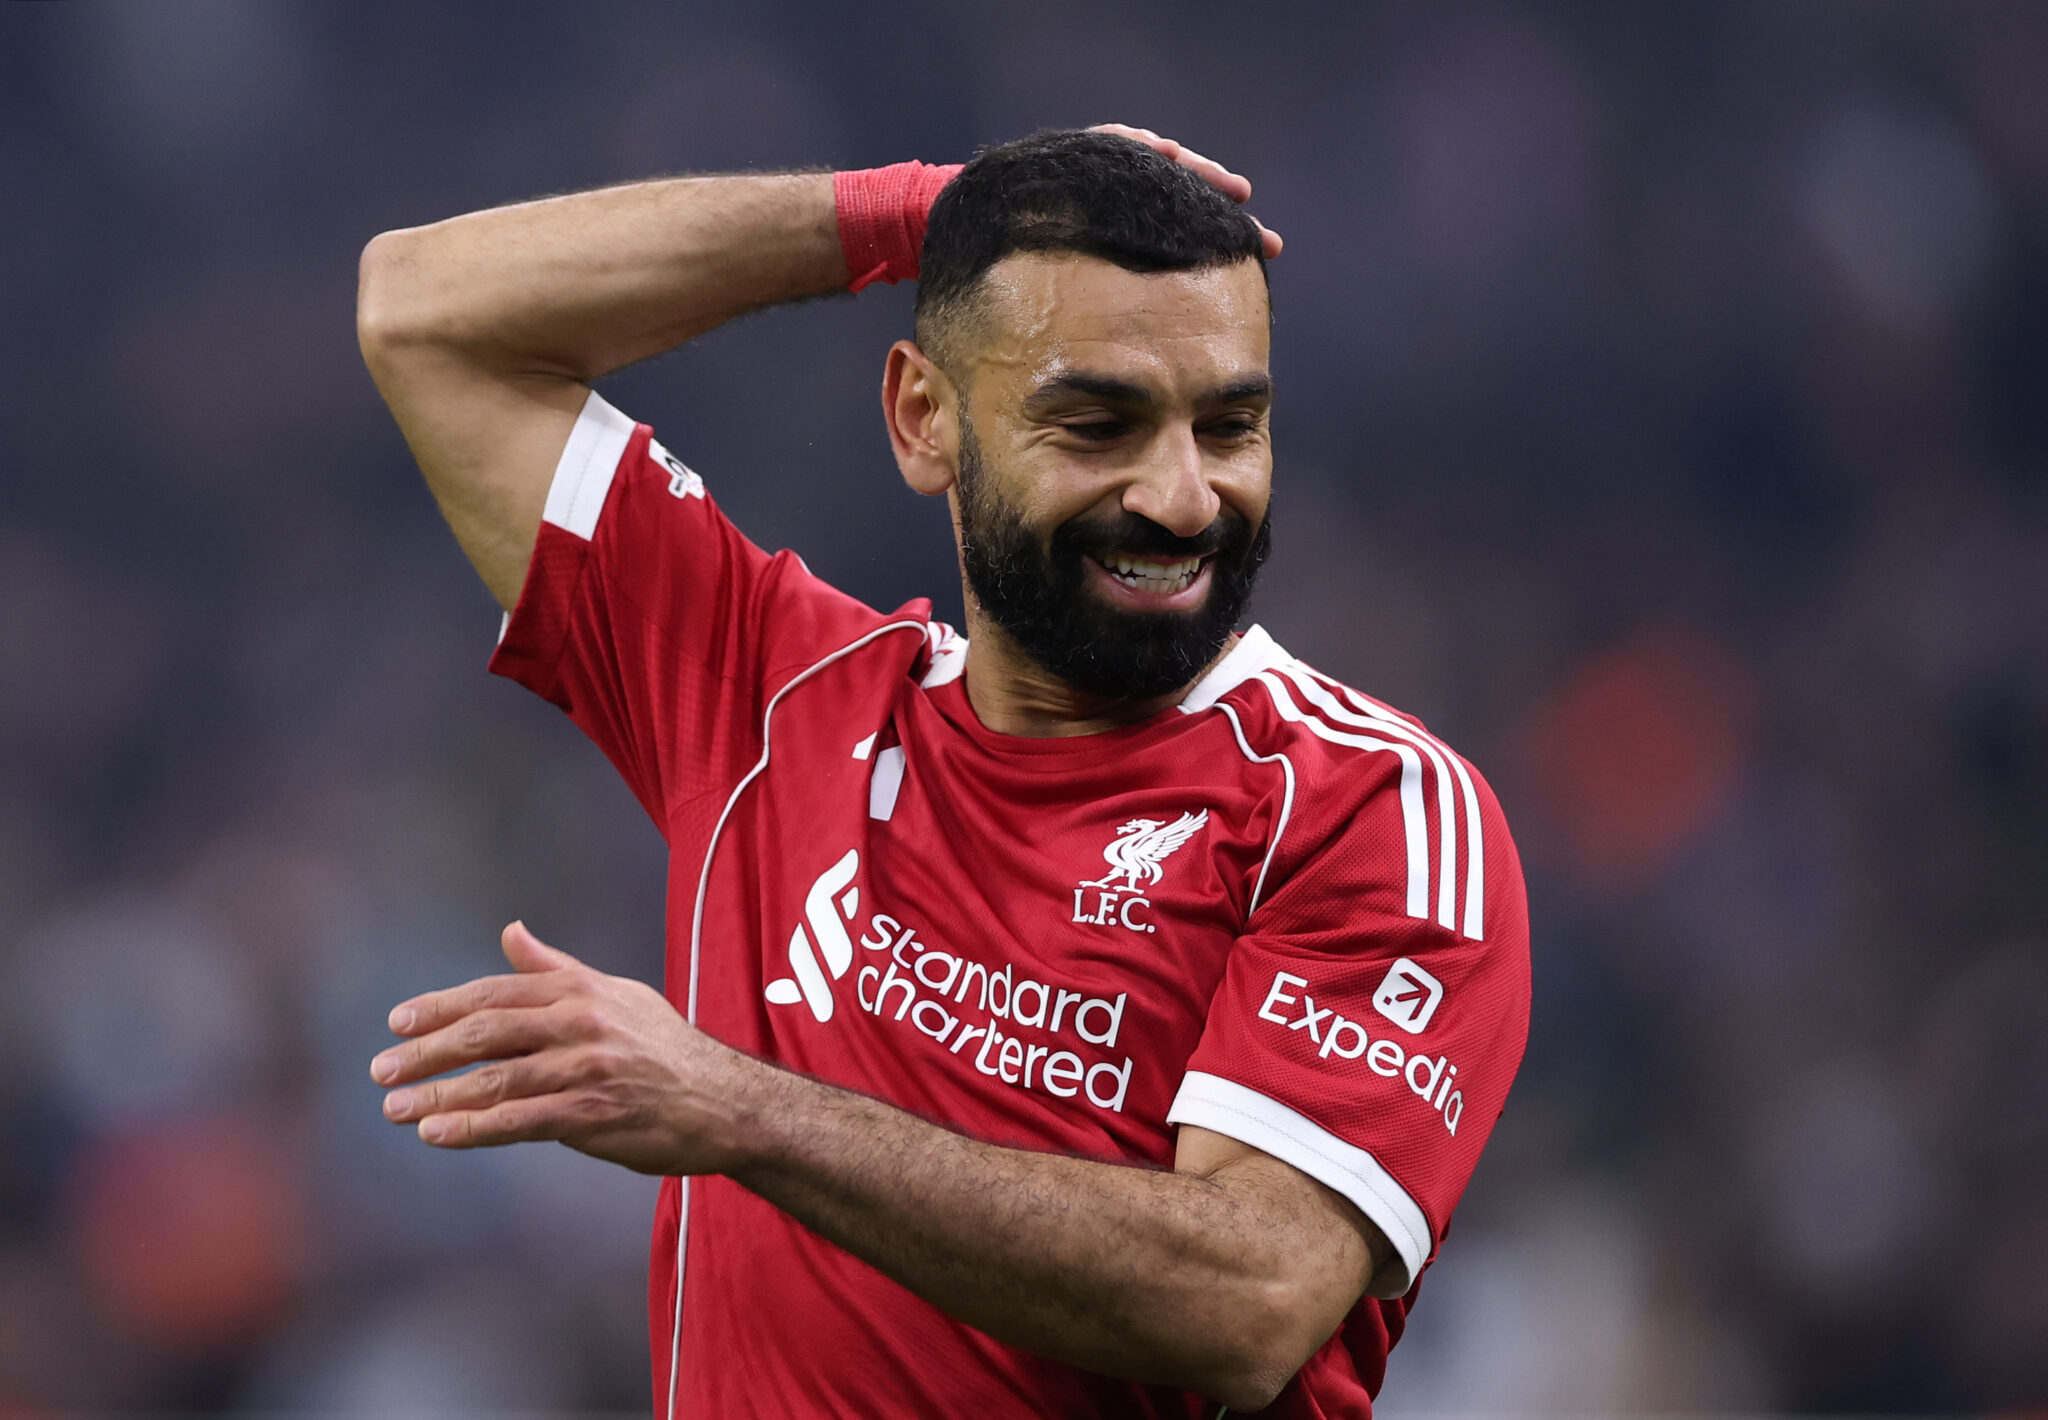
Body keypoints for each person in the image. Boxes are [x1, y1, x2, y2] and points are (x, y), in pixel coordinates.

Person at [356, 124, 1530, 1419]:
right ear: (925, 419)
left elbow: (1247, 1299)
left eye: (1229, 424)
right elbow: (425, 313)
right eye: (1100, 422)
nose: (1185, 496)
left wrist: (742, 1108)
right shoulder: (770, 696)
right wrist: (910, 214)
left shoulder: (1369, 806)